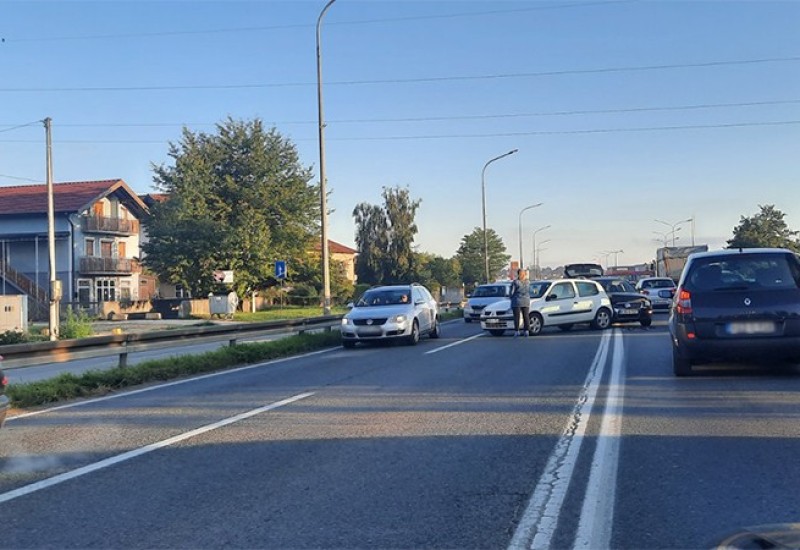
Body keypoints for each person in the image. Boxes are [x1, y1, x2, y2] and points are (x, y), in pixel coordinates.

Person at [510, 269, 531, 337]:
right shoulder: (528, 282)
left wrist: (510, 297)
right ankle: (526, 331)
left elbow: (511, 292)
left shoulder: (515, 282)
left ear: (518, 274)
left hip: (517, 301)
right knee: (526, 316)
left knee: (516, 317)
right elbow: (533, 290)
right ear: (524, 274)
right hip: (526, 301)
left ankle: (517, 331)